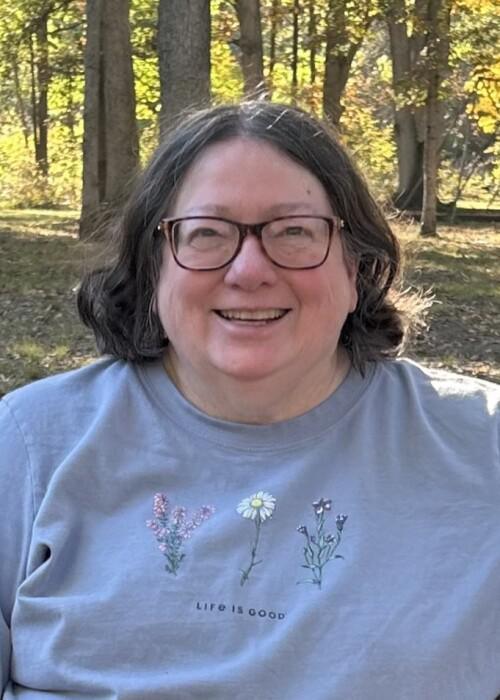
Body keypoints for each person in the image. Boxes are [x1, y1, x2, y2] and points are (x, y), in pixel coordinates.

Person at [1, 101, 498, 700]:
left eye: (295, 231)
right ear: (153, 266)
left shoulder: (485, 447)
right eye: (207, 233)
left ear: (357, 267)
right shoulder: (30, 444)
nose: (249, 270)